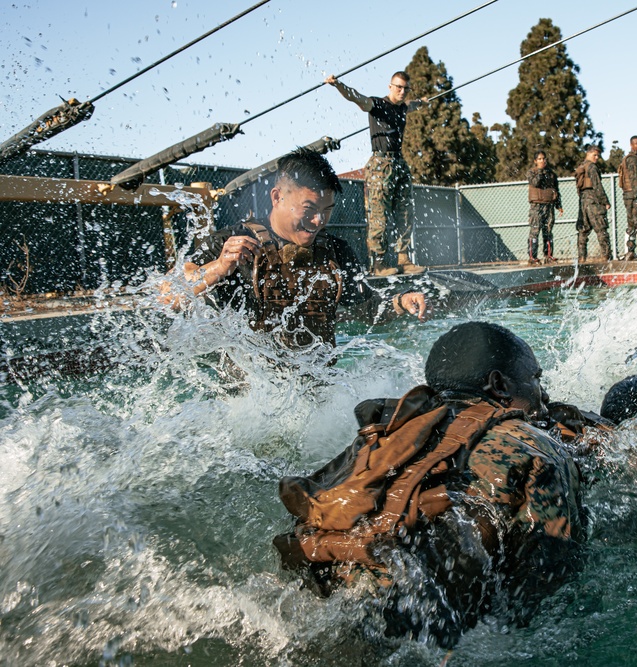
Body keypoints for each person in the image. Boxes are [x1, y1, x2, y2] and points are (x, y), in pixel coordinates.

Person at [273, 321, 586, 647]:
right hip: (433, 633)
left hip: (326, 616)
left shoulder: (382, 438)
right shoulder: (531, 445)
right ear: (499, 385)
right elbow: (551, 586)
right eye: (535, 379)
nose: (545, 394)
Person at [184, 148, 427, 348]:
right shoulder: (232, 244)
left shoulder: (335, 251)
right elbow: (167, 295)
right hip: (246, 395)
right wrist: (218, 267)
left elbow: (368, 309)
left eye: (326, 210)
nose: (318, 221)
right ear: (278, 197)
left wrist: (402, 301)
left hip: (317, 388)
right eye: (309, 210)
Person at [325, 71, 427, 276]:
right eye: (398, 87)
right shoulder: (376, 105)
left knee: (405, 213)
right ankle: (378, 263)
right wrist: (338, 85)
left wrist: (423, 102)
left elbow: (413, 104)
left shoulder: (404, 107)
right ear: (390, 87)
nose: (402, 91)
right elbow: (355, 97)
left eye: (406, 88)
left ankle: (404, 258)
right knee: (378, 215)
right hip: (380, 164)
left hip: (399, 163)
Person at [574, 144, 612, 261]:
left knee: (583, 231)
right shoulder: (592, 167)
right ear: (588, 153)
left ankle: (582, 258)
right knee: (601, 229)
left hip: (583, 201)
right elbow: (597, 185)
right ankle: (606, 256)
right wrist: (605, 201)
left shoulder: (581, 167)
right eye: (594, 155)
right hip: (593, 199)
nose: (596, 158)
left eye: (597, 155)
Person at [526, 150, 563, 264]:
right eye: (540, 159)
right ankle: (532, 257)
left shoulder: (551, 174)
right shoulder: (532, 172)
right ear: (535, 161)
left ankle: (548, 256)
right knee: (535, 231)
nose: (543, 161)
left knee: (548, 231)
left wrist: (558, 205)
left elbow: (556, 190)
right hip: (536, 206)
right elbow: (536, 183)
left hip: (549, 206)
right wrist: (540, 171)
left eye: (544, 158)